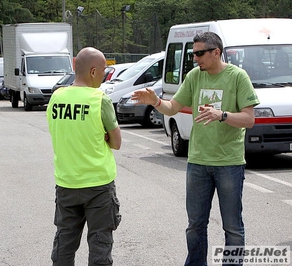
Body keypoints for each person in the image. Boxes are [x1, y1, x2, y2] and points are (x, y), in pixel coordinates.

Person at [131, 32, 260, 266]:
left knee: (232, 227)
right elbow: (172, 108)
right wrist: (155, 101)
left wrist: (222, 115)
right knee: (195, 225)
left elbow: (249, 119)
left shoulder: (238, 77)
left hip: (228, 163)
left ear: (216, 52)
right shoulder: (194, 76)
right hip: (198, 163)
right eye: (193, 54)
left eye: (199, 53)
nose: (195, 59)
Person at [46, 47, 122, 266]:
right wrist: (104, 136)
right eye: (103, 71)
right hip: (98, 184)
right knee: (100, 243)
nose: (105, 76)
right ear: (92, 71)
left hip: (67, 182)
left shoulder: (56, 97)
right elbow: (116, 143)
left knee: (65, 242)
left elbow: (60, 132)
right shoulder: (100, 100)